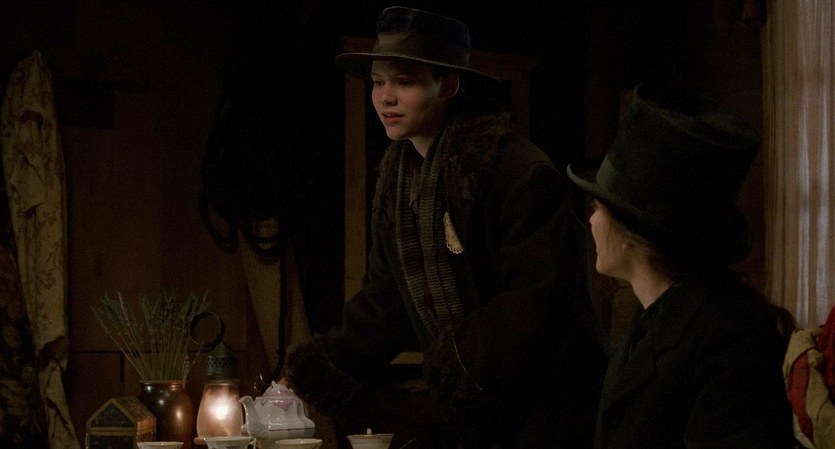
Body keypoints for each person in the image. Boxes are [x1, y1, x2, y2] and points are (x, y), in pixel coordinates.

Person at [281, 6, 608, 449]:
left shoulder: (516, 171)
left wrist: (458, 363)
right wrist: (318, 369)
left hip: (549, 408)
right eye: (378, 82)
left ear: (448, 85)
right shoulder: (398, 183)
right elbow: (386, 300)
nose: (386, 98)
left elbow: (540, 301)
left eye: (405, 81)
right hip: (474, 414)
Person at [566, 80, 796, 449]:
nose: (590, 221)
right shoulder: (656, 319)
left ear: (630, 233)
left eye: (598, 208)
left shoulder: (731, 341)